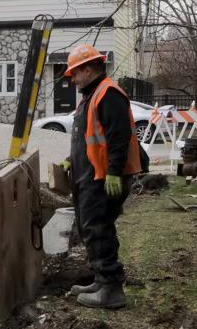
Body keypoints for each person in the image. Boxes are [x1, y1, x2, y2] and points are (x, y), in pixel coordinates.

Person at [61, 43, 143, 309]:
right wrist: (71, 159)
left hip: (103, 178)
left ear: (88, 68)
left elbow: (118, 137)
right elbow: (90, 138)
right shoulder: (92, 95)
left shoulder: (108, 94)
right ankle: (101, 279)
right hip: (90, 175)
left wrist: (114, 172)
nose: (72, 79)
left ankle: (111, 289)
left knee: (99, 228)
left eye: (74, 73)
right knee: (91, 228)